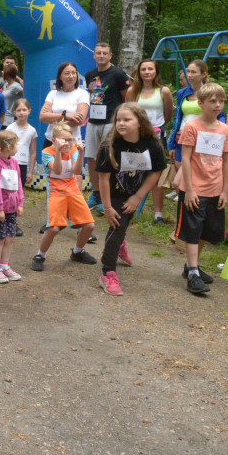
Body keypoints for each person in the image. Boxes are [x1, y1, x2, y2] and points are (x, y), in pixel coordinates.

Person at [95, 103, 166, 295]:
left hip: (134, 193)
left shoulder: (152, 145)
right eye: (118, 119)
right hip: (114, 194)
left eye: (127, 119)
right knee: (117, 226)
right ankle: (107, 273)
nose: (121, 123)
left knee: (123, 224)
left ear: (140, 123)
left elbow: (156, 172)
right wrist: (108, 208)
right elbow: (103, 178)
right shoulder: (109, 146)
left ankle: (119, 244)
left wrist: (137, 197)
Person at [175, 82, 228, 295]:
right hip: (194, 188)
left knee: (206, 232)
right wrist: (188, 189)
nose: (217, 105)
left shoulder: (225, 129)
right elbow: (187, 159)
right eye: (212, 101)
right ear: (201, 103)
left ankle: (193, 266)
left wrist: (225, 190)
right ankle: (192, 274)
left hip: (215, 189)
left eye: (221, 101)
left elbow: (227, 161)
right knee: (192, 231)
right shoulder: (192, 127)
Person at [32, 121, 96, 272]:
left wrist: (80, 153)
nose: (67, 143)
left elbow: (76, 171)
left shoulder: (73, 149)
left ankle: (77, 252)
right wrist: (59, 152)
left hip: (73, 190)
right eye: (64, 140)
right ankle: (40, 255)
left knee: (89, 225)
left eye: (70, 139)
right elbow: (58, 170)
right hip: (56, 192)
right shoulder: (47, 151)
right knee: (54, 228)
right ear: (54, 140)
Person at [124, 58, 175, 224]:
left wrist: (156, 128)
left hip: (157, 136)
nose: (147, 72)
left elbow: (168, 115)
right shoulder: (133, 91)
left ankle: (158, 214)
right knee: (133, 172)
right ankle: (127, 208)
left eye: (150, 69)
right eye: (143, 69)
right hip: (136, 137)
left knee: (156, 174)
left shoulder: (164, 91)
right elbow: (127, 113)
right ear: (139, 72)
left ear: (156, 72)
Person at [84, 43, 131, 213]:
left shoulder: (118, 74)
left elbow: (127, 97)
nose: (101, 55)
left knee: (108, 157)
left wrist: (123, 120)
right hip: (93, 121)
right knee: (91, 157)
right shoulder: (90, 75)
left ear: (110, 56)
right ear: (94, 56)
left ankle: (108, 197)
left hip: (111, 121)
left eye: (105, 53)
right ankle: (96, 194)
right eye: (98, 53)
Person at [0, 131, 24, 284]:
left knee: (10, 237)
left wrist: (20, 202)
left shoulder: (14, 162)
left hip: (12, 207)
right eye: (16, 144)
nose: (17, 147)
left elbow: (18, 183)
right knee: (0, 238)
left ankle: (4, 265)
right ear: (8, 147)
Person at [39, 62, 89, 146]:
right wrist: (65, 115)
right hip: (51, 141)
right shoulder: (53, 93)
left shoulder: (83, 94)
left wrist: (52, 118)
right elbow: (43, 117)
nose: (71, 76)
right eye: (67, 73)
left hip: (71, 142)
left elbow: (79, 120)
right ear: (60, 76)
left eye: (74, 73)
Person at [6, 98, 37, 192]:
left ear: (29, 111)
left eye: (24, 110)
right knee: (9, 189)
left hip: (23, 164)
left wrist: (31, 171)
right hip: (10, 162)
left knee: (20, 189)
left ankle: (18, 206)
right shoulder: (10, 128)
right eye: (18, 110)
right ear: (14, 112)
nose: (21, 113)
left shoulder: (32, 131)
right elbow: (5, 146)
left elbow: (33, 152)